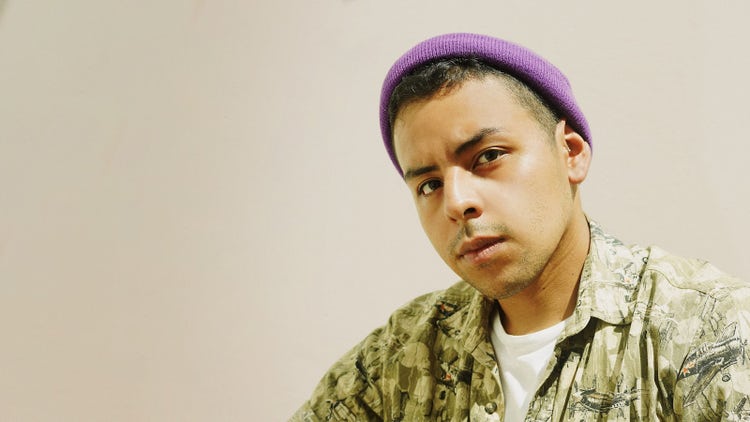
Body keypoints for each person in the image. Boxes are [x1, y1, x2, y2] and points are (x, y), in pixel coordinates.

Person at [291, 33, 750, 421]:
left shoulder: (710, 330)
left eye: (487, 157)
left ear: (570, 152)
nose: (458, 202)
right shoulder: (401, 356)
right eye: (429, 185)